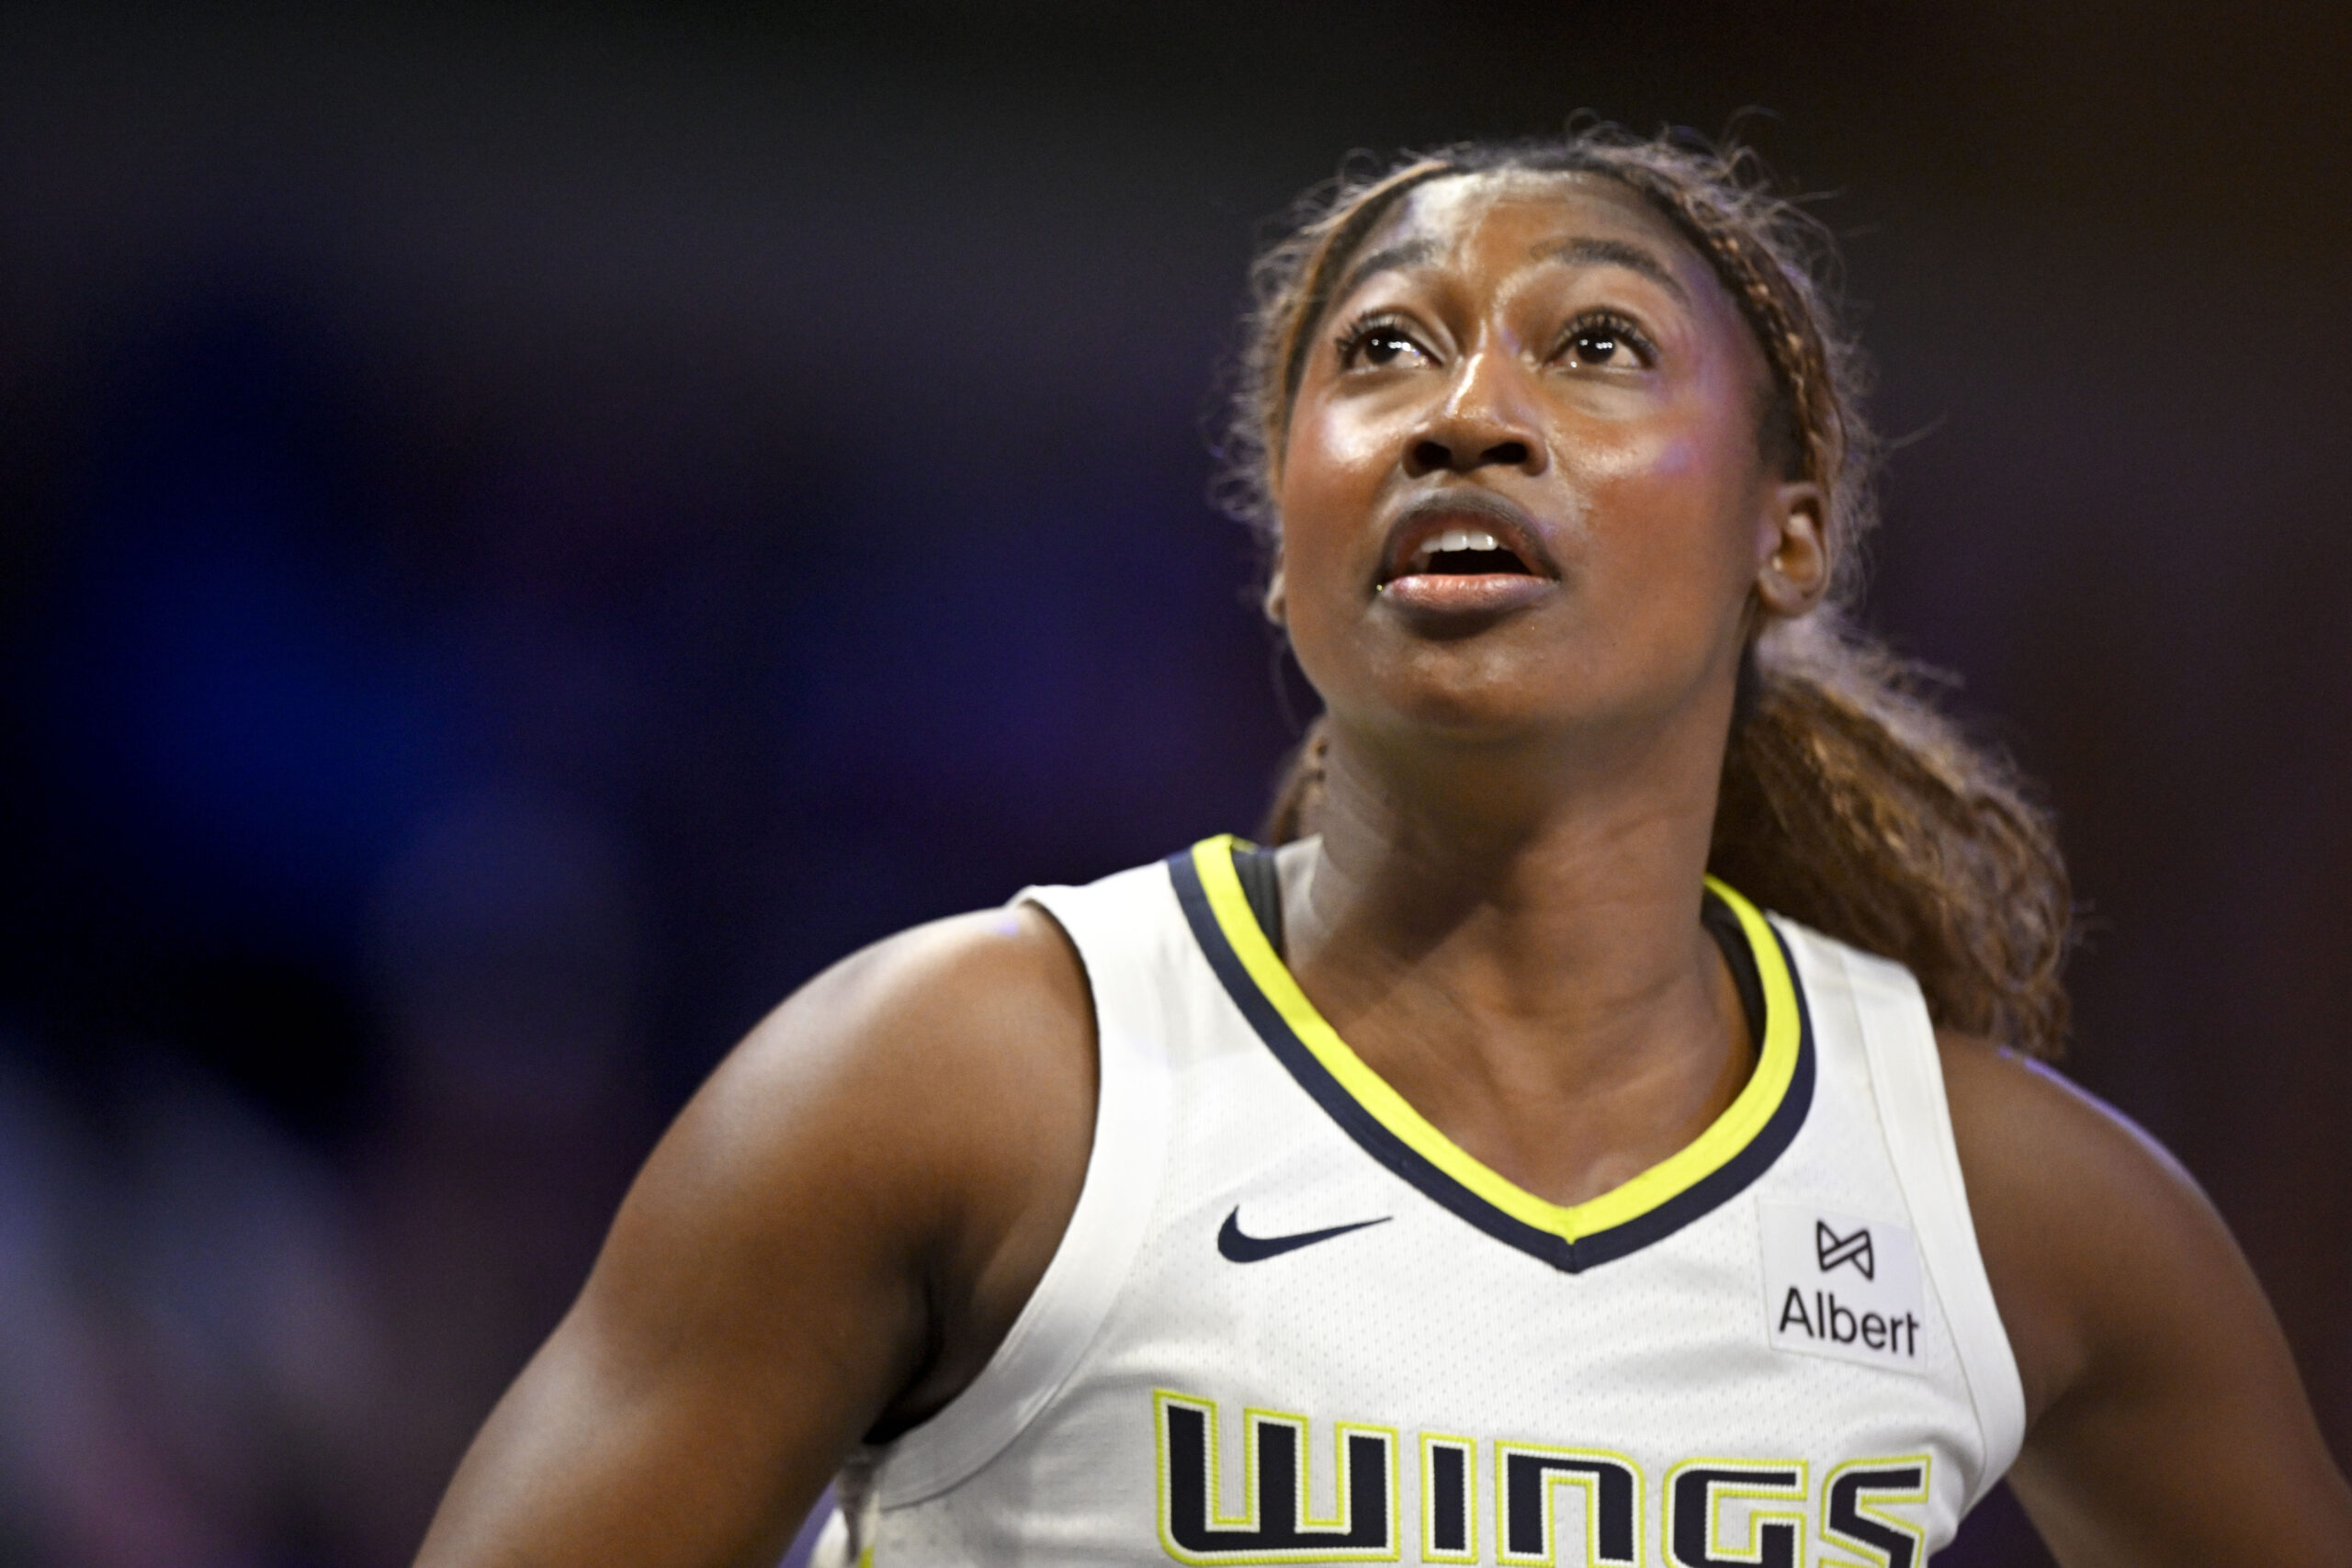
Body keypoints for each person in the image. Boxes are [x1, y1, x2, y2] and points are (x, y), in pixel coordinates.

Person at [413, 128, 2352, 1567]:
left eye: (1590, 346)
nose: (1467, 413)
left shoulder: (2005, 1204)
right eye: (1383, 354)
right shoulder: (964, 1076)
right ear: (1281, 539)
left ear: (1786, 529)